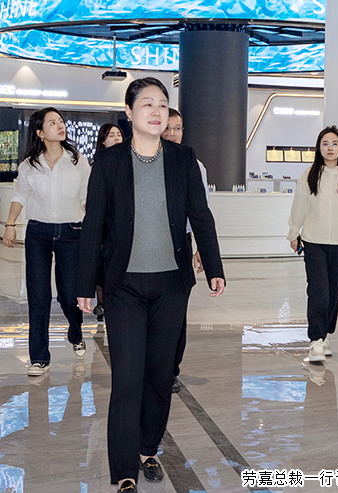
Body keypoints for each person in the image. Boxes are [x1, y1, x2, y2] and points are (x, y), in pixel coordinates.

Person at [75, 77, 226, 492]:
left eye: (162, 103)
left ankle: (147, 447)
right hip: (123, 286)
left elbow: (200, 214)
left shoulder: (183, 158)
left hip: (171, 285)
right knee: (127, 379)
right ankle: (124, 469)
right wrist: (85, 284)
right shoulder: (109, 162)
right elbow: (93, 223)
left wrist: (214, 265)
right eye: (147, 104)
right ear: (128, 113)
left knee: (160, 376)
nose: (156, 111)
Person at [2, 107, 90, 379]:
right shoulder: (30, 165)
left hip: (71, 232)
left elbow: (86, 197)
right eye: (53, 123)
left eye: (61, 121)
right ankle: (39, 357)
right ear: (40, 132)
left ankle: (75, 330)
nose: (60, 125)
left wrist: (94, 228)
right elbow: (19, 196)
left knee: (69, 295)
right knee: (38, 296)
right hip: (38, 233)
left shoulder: (78, 161)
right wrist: (10, 225)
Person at [287, 125, 338, 363]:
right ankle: (316, 340)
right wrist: (293, 233)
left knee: (333, 292)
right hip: (314, 243)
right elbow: (299, 206)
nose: (330, 148)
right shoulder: (309, 175)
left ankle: (324, 336)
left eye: (334, 144)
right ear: (319, 148)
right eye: (325, 144)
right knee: (318, 291)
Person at [160, 107, 210, 393]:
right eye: (167, 128)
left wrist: (202, 247)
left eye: (177, 128)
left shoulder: (195, 165)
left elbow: (202, 211)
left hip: (182, 241)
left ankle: (171, 371)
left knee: (177, 313)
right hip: (149, 244)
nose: (172, 133)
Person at [91, 123, 125, 321]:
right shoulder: (97, 165)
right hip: (103, 228)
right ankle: (102, 303)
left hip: (122, 228)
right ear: (103, 141)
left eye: (119, 134)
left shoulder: (129, 164)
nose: (117, 138)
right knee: (102, 268)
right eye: (111, 135)